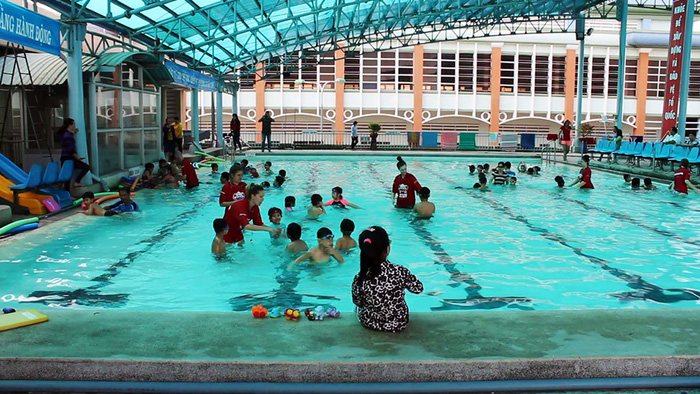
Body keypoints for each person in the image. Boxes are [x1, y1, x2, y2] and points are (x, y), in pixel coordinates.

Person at [352, 226, 423, 333]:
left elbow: (357, 301)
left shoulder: (360, 277)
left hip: (370, 322)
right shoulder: (399, 271)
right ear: (387, 249)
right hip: (399, 323)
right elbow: (418, 288)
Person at [59, 118, 91, 188]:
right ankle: (76, 182)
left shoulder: (65, 134)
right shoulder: (68, 136)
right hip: (69, 158)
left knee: (67, 177)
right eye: (73, 124)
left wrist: (74, 132)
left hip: (65, 158)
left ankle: (68, 193)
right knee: (86, 167)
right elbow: (70, 148)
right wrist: (76, 157)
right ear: (70, 125)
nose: (74, 126)